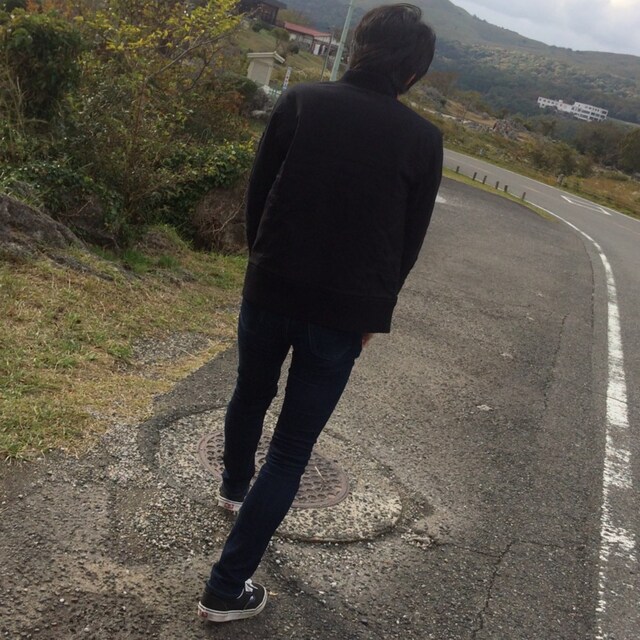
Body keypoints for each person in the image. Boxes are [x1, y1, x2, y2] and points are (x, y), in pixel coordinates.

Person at [198, 3, 443, 623]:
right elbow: (407, 243)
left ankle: (233, 488)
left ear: (358, 46)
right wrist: (374, 312)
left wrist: (261, 263)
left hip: (270, 286)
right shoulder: (423, 139)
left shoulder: (302, 101)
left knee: (249, 393)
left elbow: (259, 192)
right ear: (413, 72)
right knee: (291, 451)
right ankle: (226, 588)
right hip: (342, 313)